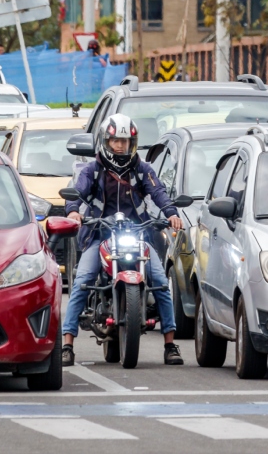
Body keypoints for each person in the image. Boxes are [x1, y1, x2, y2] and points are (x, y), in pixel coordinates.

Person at [62, 114, 185, 367]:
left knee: (161, 283)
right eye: (116, 141)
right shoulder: (92, 170)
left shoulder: (142, 169)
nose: (120, 146)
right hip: (100, 235)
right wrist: (73, 210)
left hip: (137, 235)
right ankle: (67, 344)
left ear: (133, 144)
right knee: (82, 281)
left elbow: (158, 191)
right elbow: (77, 191)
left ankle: (170, 344)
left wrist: (171, 213)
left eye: (125, 142)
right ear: (105, 142)